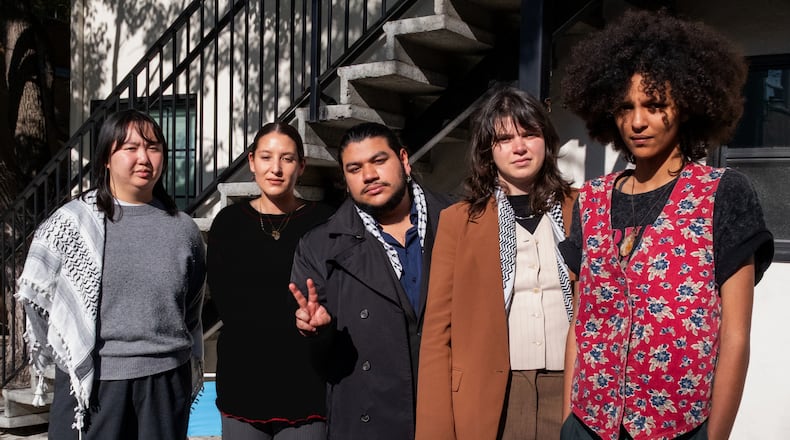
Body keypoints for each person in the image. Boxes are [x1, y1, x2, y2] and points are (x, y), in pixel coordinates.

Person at [560, 10, 774, 440]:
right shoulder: (593, 198)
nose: (638, 121)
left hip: (679, 428)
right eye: (625, 107)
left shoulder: (723, 194)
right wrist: (570, 416)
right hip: (588, 424)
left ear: (688, 106)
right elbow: (582, 322)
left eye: (655, 105)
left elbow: (734, 334)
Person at [16, 109, 206, 439]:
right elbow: (40, 300)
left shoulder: (184, 229)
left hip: (165, 382)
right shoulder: (72, 224)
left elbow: (191, 307)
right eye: (130, 148)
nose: (144, 158)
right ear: (106, 157)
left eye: (153, 147)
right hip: (96, 384)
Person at [415, 86, 577, 440]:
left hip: (572, 390)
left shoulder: (582, 208)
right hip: (495, 395)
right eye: (504, 139)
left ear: (546, 141)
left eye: (529, 134)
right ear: (488, 151)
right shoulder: (459, 221)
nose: (519, 147)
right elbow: (437, 332)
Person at [288, 122, 451, 440]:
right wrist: (318, 332)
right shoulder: (320, 245)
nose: (369, 175)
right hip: (370, 420)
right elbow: (322, 361)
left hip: (450, 409)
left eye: (379, 161)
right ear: (345, 180)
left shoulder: (457, 217)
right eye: (355, 168)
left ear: (404, 160)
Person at [207, 121, 334, 439]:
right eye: (266, 157)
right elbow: (225, 305)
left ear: (302, 166)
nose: (275, 168)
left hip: (308, 387)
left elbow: (339, 298)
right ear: (251, 162)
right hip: (243, 387)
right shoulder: (228, 224)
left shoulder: (325, 222)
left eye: (287, 158)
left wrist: (321, 324)